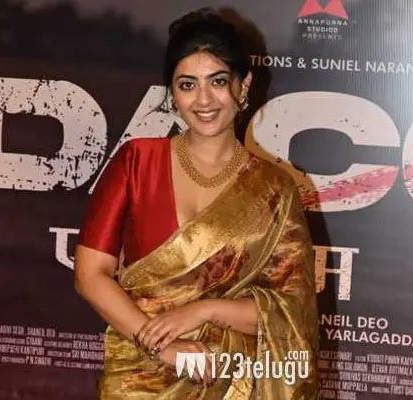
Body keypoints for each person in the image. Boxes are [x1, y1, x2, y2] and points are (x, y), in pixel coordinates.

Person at [74, 7, 319, 399]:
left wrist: (204, 310)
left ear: (244, 85)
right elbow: (90, 275)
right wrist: (164, 347)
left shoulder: (274, 190)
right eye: (187, 85)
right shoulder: (137, 163)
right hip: (140, 376)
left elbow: (292, 311)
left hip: (233, 381)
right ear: (172, 94)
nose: (203, 100)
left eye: (218, 81)